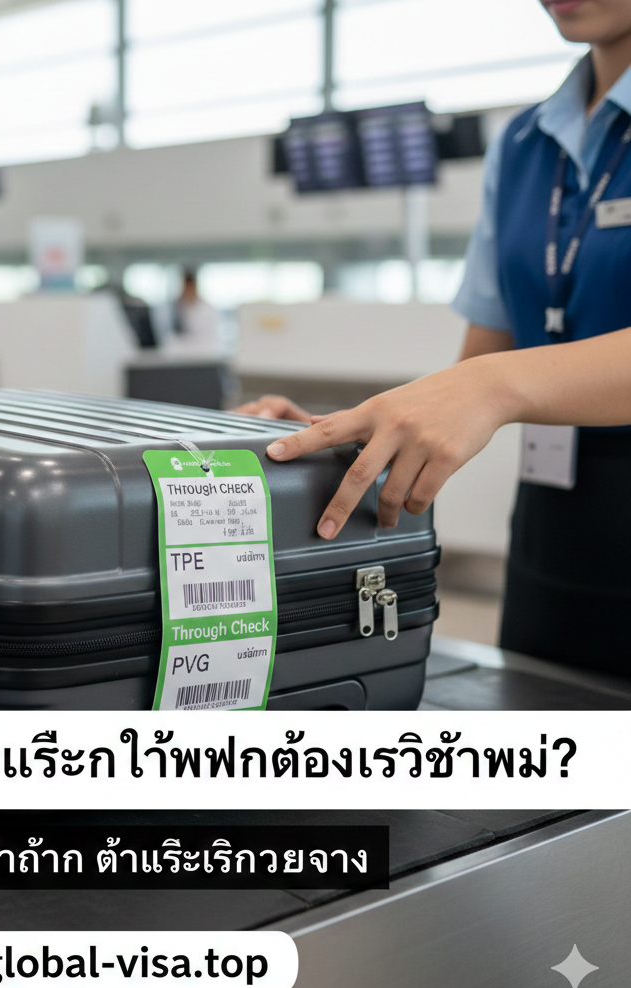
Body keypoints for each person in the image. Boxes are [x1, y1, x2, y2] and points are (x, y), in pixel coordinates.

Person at [238, 0, 631, 678]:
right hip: (557, 527)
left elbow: (489, 380)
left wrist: (493, 386)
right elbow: (477, 366)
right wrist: (343, 434)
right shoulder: (523, 144)